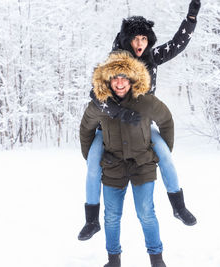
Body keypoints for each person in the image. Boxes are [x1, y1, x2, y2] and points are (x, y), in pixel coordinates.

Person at [78, 0, 201, 241]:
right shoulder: (116, 60)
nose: (139, 44)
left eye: (144, 39)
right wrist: (114, 112)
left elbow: (178, 44)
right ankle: (91, 221)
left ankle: (178, 206)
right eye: (135, 39)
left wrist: (191, 19)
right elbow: (95, 94)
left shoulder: (152, 57)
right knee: (93, 163)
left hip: (141, 126)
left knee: (165, 155)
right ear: (127, 40)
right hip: (111, 127)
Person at [80, 50, 172, 267]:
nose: (120, 83)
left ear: (131, 79)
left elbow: (166, 121)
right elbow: (86, 128)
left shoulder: (146, 101)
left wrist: (163, 151)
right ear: (109, 81)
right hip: (113, 166)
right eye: (115, 79)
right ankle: (113, 260)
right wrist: (91, 157)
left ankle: (157, 259)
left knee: (146, 213)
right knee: (111, 217)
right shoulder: (99, 105)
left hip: (143, 165)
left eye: (124, 78)